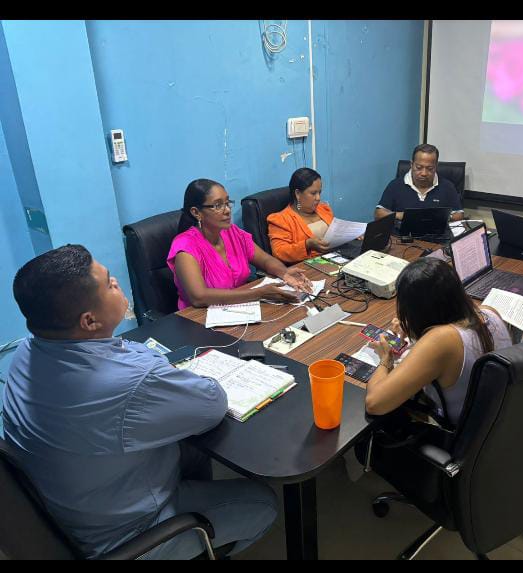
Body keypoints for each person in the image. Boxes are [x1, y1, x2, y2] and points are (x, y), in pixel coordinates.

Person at [1, 245, 278, 559]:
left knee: (191, 448)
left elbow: (126, 360)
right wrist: (155, 373)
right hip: (127, 534)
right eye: (108, 283)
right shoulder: (129, 383)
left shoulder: (25, 352)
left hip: (70, 510)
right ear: (89, 321)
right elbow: (213, 403)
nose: (116, 282)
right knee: (263, 503)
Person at [364, 258, 512, 426]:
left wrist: (385, 359)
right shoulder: (489, 312)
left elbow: (374, 404)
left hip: (458, 432)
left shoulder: (441, 341)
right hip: (499, 422)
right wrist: (415, 332)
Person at [168, 178, 312, 309]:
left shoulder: (232, 232)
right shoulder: (185, 246)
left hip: (240, 308)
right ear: (196, 212)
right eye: (218, 205)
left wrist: (284, 273)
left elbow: (264, 260)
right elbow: (199, 297)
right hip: (198, 318)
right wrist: (259, 294)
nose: (227, 210)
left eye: (227, 203)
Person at [374, 143, 464, 223]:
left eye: (430, 168)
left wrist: (441, 216)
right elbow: (379, 213)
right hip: (403, 235)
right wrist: (401, 215)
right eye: (419, 167)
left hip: (436, 235)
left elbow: (459, 214)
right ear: (411, 164)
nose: (424, 173)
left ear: (436, 166)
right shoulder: (395, 185)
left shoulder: (447, 186)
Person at [267, 167, 336, 264]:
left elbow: (336, 232)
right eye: (313, 193)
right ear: (298, 193)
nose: (318, 198)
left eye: (319, 192)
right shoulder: (281, 220)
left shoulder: (324, 209)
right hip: (310, 267)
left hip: (337, 258)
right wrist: (307, 245)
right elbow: (279, 252)